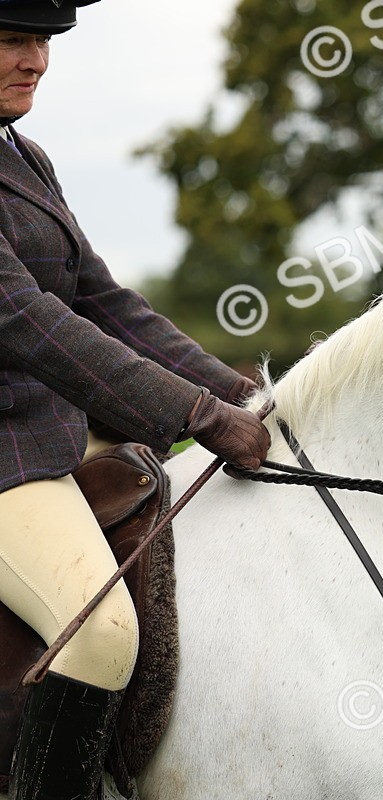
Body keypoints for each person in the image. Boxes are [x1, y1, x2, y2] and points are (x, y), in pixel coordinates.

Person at [0, 2, 270, 797]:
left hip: (51, 428)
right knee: (99, 638)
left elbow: (105, 303)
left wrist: (240, 393)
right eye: (14, 39)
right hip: (7, 454)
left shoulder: (25, 157)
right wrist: (193, 415)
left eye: (43, 41)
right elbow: (26, 319)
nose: (38, 60)